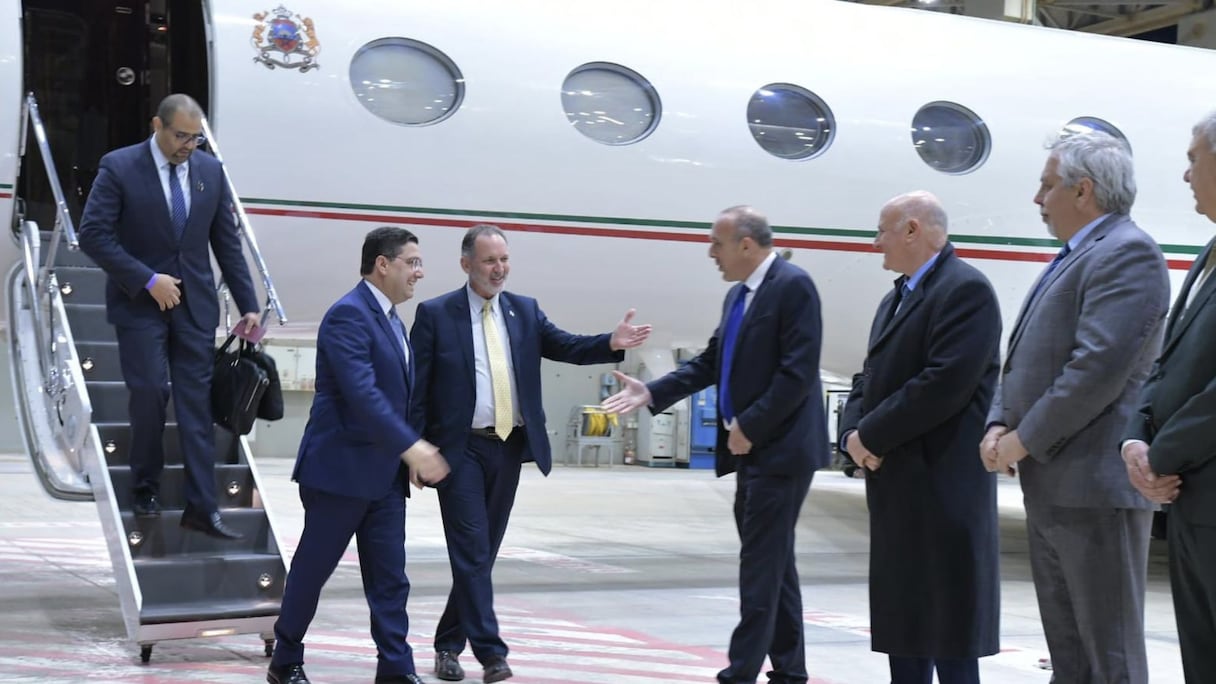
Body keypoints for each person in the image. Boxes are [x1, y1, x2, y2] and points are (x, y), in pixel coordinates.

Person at [410, 224, 651, 682]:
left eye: (503, 259)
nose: (499, 269)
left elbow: (566, 345)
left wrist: (610, 343)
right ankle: (492, 654)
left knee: (481, 555)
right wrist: (416, 449)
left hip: (508, 448)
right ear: (466, 265)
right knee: (472, 552)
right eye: (488, 261)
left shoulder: (524, 311)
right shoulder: (436, 314)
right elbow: (417, 390)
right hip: (458, 451)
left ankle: (447, 645)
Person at [603, 205, 827, 684]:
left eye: (717, 244)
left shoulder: (793, 286)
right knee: (774, 562)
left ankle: (739, 674)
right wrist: (652, 391)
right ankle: (791, 670)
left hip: (781, 450)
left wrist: (751, 424)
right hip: (753, 450)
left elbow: (798, 371)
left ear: (747, 244)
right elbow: (710, 363)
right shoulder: (738, 297)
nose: (711, 253)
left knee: (760, 568)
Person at [982, 131, 1169, 684]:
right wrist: (998, 421)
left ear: (1083, 190)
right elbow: (1019, 359)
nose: (1037, 199)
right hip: (1057, 484)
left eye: (1046, 186)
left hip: (1094, 487)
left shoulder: (1127, 252)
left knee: (1109, 655)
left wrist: (1021, 440)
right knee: (1071, 655)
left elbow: (1094, 372)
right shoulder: (1077, 255)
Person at [267, 226, 449, 684]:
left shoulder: (392, 321)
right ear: (382, 264)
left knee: (390, 579)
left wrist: (407, 449)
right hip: (339, 473)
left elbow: (398, 398)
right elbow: (362, 395)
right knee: (313, 572)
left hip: (384, 477)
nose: (419, 273)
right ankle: (285, 658)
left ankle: (395, 669)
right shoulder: (348, 315)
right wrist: (412, 447)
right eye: (412, 262)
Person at [78, 93, 260, 539]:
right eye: (180, 136)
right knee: (150, 393)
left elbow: (227, 244)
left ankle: (202, 507)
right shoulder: (119, 167)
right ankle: (144, 484)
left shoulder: (211, 172)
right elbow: (93, 235)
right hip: (140, 304)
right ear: (157, 124)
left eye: (196, 138)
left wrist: (248, 302)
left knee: (197, 406)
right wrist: (146, 279)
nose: (188, 146)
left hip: (194, 306)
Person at [838, 192, 1000, 684]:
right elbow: (868, 377)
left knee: (949, 639)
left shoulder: (966, 290)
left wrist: (871, 436)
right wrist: (851, 433)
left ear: (912, 230)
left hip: (941, 490)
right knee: (905, 633)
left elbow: (942, 385)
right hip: (897, 489)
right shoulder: (895, 298)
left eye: (882, 231)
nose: (875, 243)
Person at [1121, 111, 1216, 684]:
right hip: (1189, 502)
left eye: (1192, 159)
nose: (1185, 176)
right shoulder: (1209, 252)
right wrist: (1137, 437)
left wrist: (1160, 456)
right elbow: (1168, 361)